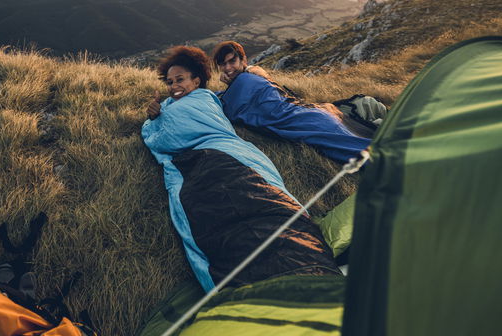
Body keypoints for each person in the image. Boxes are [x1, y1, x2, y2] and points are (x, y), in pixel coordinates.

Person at [142, 46, 340, 293]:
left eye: (180, 79)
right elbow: (160, 133)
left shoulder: (206, 98)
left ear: (197, 79)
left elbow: (164, 139)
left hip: (228, 153)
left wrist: (155, 124)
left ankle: (304, 266)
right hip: (194, 164)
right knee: (214, 217)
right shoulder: (168, 106)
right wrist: (154, 117)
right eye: (170, 82)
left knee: (267, 202)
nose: (174, 86)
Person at [212, 41, 386, 164]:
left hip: (311, 119)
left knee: (365, 148)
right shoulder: (250, 78)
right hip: (312, 115)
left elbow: (229, 105)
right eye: (223, 64)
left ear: (243, 60)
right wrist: (233, 83)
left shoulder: (246, 81)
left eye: (232, 61)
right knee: (365, 132)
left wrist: (233, 84)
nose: (228, 68)